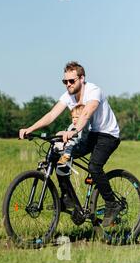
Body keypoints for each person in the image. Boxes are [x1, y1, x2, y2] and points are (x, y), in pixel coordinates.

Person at [19, 61, 122, 227]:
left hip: (108, 135)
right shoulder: (68, 96)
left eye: (71, 81)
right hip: (91, 134)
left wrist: (73, 131)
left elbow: (87, 113)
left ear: (82, 78)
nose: (68, 84)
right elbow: (52, 115)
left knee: (94, 167)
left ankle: (112, 204)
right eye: (65, 81)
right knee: (58, 157)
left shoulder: (93, 91)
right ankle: (67, 199)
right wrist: (30, 129)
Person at [56, 104, 90, 169]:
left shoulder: (84, 124)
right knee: (59, 134)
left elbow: (86, 121)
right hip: (72, 143)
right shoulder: (71, 125)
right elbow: (68, 133)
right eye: (73, 117)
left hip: (80, 144)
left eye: (77, 117)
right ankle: (56, 151)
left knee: (71, 140)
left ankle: (66, 156)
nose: (74, 119)